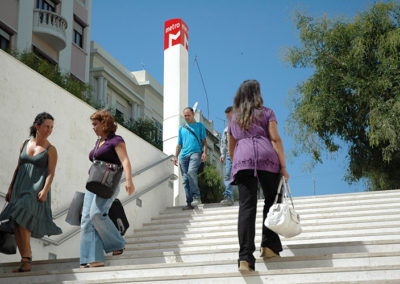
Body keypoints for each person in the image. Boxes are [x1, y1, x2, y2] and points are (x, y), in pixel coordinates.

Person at [228, 80, 289, 272]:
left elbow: (232, 144)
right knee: (273, 198)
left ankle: (245, 258)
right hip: (267, 158)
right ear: (257, 93)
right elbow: (275, 138)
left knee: (246, 207)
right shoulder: (267, 112)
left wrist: (236, 161)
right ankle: (269, 245)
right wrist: (284, 166)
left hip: (242, 159)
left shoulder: (234, 118)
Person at [0, 112, 62, 272]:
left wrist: (45, 189)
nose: (50, 130)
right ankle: (25, 259)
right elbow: (18, 167)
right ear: (37, 126)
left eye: (52, 127)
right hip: (19, 188)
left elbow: (51, 172)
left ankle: (27, 259)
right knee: (18, 223)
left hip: (36, 190)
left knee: (22, 215)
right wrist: (10, 188)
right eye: (47, 126)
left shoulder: (51, 149)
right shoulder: (24, 144)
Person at [80, 110, 135, 268]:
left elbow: (125, 161)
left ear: (104, 123)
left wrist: (129, 181)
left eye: (95, 124)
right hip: (93, 183)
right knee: (86, 220)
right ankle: (91, 258)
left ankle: (118, 243)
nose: (93, 127)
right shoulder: (98, 142)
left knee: (97, 214)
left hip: (108, 183)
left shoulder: (116, 140)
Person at [173, 107, 207, 210]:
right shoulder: (181, 128)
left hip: (196, 153)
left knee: (191, 172)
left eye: (188, 115)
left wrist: (204, 153)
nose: (187, 117)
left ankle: (197, 197)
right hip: (183, 157)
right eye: (185, 116)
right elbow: (179, 144)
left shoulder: (199, 126)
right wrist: (176, 156)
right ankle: (189, 203)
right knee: (185, 180)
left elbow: (204, 142)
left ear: (193, 114)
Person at [219, 106, 235, 206]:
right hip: (229, 155)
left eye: (230, 116)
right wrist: (222, 154)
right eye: (227, 117)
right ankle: (228, 196)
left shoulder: (242, 126)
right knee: (228, 175)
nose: (229, 119)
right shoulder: (226, 129)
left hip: (240, 154)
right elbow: (223, 142)